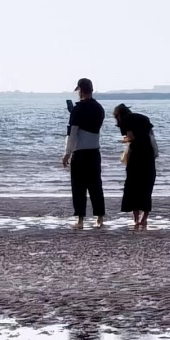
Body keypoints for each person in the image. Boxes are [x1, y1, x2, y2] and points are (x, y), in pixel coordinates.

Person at [62, 78, 105, 229]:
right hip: (94, 152)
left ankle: (80, 219)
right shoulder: (99, 108)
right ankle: (99, 217)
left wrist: (67, 153)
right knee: (95, 185)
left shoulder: (78, 109)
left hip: (80, 153)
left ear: (80, 89)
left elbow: (72, 133)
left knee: (78, 186)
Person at [113, 104, 157, 230]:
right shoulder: (143, 118)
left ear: (118, 115)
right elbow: (150, 135)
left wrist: (126, 140)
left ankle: (136, 218)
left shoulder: (124, 120)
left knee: (133, 185)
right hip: (147, 153)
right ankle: (144, 219)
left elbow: (131, 137)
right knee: (146, 185)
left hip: (136, 154)